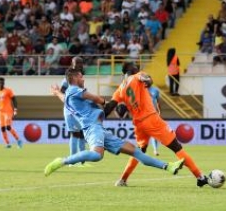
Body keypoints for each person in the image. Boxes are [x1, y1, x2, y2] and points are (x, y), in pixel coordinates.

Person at [44, 69, 185, 177]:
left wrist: (57, 93)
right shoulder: (75, 90)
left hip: (98, 129)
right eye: (81, 76)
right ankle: (63, 161)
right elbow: (93, 97)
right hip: (92, 128)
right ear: (74, 78)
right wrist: (104, 102)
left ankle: (168, 166)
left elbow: (64, 98)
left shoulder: (68, 94)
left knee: (134, 151)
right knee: (96, 155)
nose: (83, 78)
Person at [105, 62, 209, 188]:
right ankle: (200, 177)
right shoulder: (137, 75)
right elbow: (145, 78)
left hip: (139, 124)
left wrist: (99, 118)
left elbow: (110, 106)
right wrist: (148, 81)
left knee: (138, 152)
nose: (137, 67)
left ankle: (123, 179)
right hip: (151, 119)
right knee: (176, 147)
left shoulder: (120, 89)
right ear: (129, 69)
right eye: (135, 66)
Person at [51, 56, 86, 162]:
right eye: (77, 63)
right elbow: (62, 92)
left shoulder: (80, 76)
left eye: (80, 63)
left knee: (82, 134)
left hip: (80, 110)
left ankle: (82, 160)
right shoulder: (68, 78)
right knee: (75, 134)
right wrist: (58, 93)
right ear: (72, 64)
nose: (79, 65)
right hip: (71, 110)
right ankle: (72, 161)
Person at [0, 77, 22, 149]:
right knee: (2, 128)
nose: (1, 84)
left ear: (4, 83)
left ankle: (18, 140)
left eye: (2, 83)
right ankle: (8, 144)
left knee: (8, 127)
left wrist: (15, 109)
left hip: (8, 111)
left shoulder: (8, 91)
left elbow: (14, 100)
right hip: (1, 112)